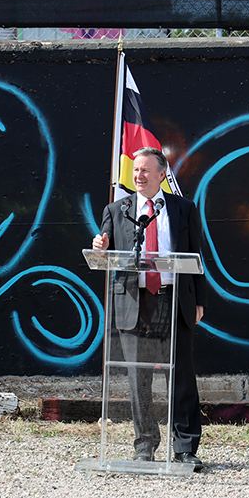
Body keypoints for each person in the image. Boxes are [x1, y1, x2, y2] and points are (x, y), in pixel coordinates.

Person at [92, 146, 208, 470]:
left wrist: (200, 300)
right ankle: (145, 445)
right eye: (135, 170)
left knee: (181, 376)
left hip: (175, 299)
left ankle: (185, 447)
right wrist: (100, 247)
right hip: (134, 302)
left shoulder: (184, 209)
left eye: (145, 170)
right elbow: (105, 250)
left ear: (161, 175)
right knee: (138, 378)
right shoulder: (118, 210)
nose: (138, 175)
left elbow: (197, 257)